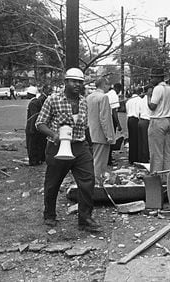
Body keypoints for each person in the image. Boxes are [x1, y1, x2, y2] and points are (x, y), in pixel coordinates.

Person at [35, 67, 102, 233]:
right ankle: (49, 214)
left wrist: (89, 146)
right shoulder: (53, 100)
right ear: (65, 82)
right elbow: (39, 123)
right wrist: (54, 135)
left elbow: (85, 126)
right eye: (74, 81)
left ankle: (85, 219)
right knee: (53, 183)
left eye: (80, 82)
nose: (77, 85)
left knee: (88, 181)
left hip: (79, 147)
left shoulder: (84, 102)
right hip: (58, 147)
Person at [86, 77, 115, 186]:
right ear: (104, 85)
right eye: (108, 85)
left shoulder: (89, 97)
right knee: (100, 162)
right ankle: (97, 183)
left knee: (93, 159)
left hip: (91, 132)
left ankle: (95, 181)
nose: (109, 87)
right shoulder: (103, 97)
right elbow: (104, 118)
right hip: (101, 134)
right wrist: (109, 135)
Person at [147, 75, 170, 173]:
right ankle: (167, 177)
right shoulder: (169, 88)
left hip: (157, 121)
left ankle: (156, 176)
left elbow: (152, 106)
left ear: (158, 78)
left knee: (156, 152)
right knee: (167, 152)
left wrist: (148, 96)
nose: (151, 80)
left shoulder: (157, 89)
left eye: (152, 77)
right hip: (167, 120)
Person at [25, 86, 48, 166]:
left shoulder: (33, 103)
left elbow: (34, 116)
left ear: (30, 94)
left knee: (32, 145)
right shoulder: (37, 101)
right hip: (35, 127)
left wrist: (31, 129)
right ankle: (38, 159)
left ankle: (33, 161)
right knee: (37, 144)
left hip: (32, 128)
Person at [106, 83, 122, 165]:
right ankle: (109, 160)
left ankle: (107, 158)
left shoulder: (107, 94)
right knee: (111, 140)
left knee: (107, 139)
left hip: (106, 118)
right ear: (118, 89)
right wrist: (118, 124)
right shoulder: (114, 96)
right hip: (111, 119)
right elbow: (114, 112)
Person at [125, 89, 142, 164]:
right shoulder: (140, 100)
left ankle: (131, 158)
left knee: (131, 139)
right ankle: (136, 157)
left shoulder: (128, 101)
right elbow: (140, 112)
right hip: (136, 120)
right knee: (137, 139)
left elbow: (127, 111)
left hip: (129, 120)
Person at [137, 86, 150, 163]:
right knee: (145, 141)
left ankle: (141, 157)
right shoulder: (148, 100)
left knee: (141, 141)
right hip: (146, 121)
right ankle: (145, 158)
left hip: (141, 120)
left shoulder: (141, 100)